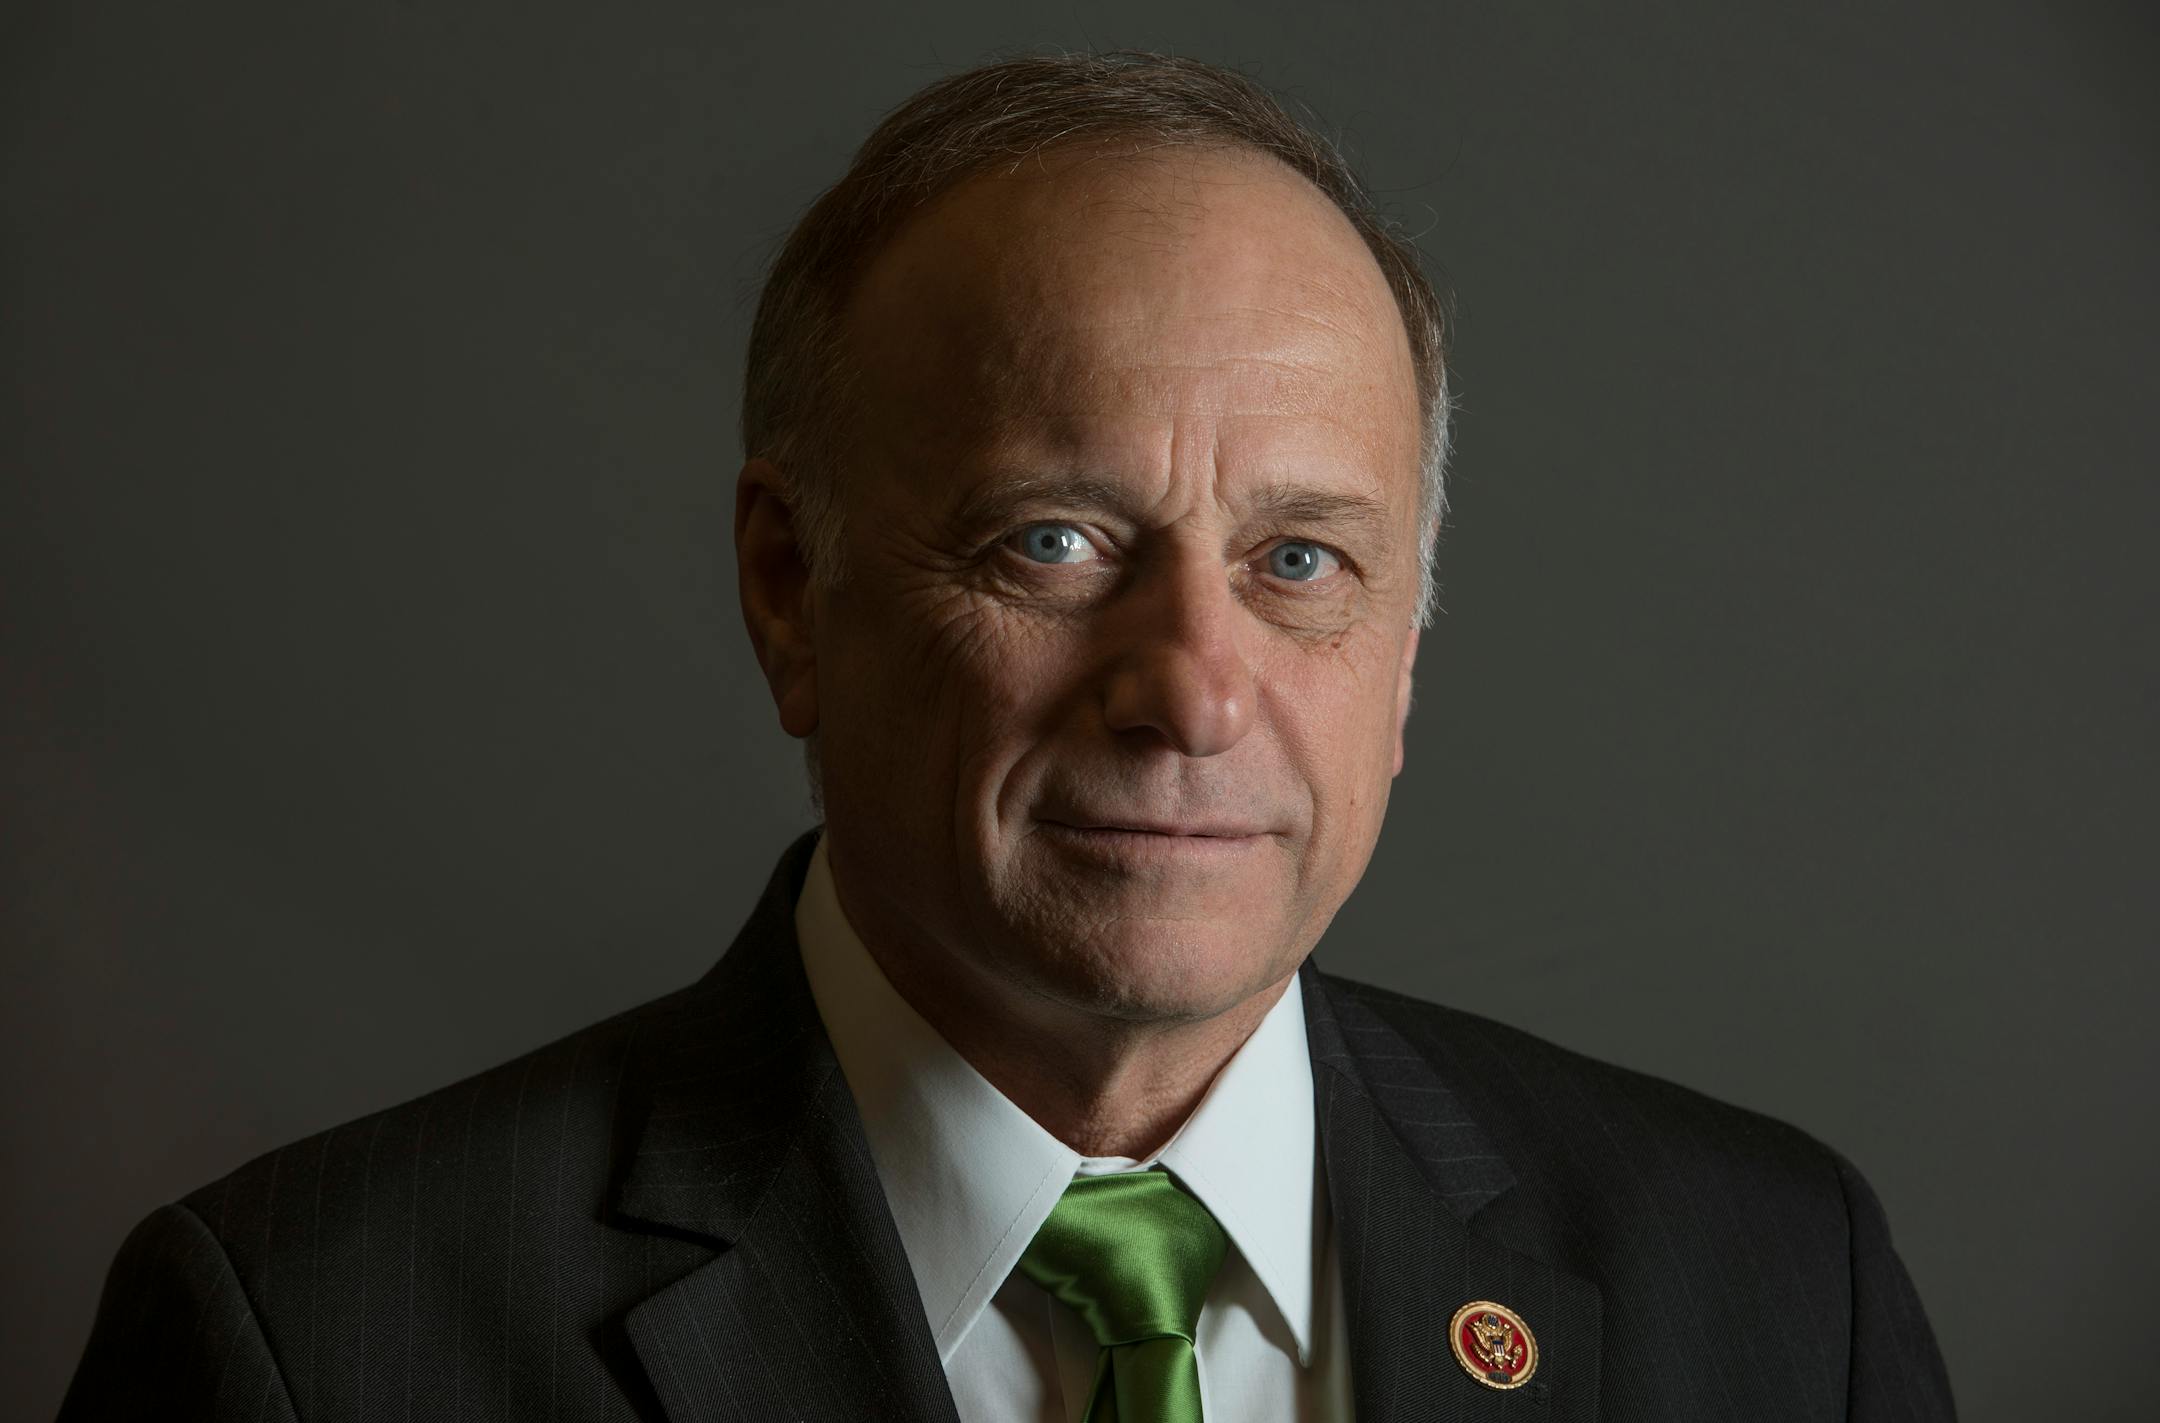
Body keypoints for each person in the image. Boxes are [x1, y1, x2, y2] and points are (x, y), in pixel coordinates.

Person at [60, 51, 1955, 1422]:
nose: (1195, 692)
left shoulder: (1781, 1293)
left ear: (1408, 645)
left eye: (1300, 559)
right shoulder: (314, 1343)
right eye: (1057, 542)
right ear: (792, 589)